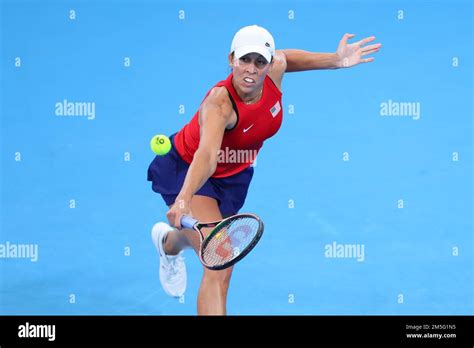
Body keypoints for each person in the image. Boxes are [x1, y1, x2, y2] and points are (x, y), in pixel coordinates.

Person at [147, 25, 381, 315]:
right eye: (244, 59)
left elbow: (288, 58)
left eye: (260, 62)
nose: (251, 69)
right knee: (221, 260)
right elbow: (206, 157)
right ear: (231, 58)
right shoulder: (219, 104)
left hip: (235, 175)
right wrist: (183, 198)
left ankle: (168, 243)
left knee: (205, 243)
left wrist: (335, 60)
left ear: (269, 64)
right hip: (190, 171)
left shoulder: (276, 69)